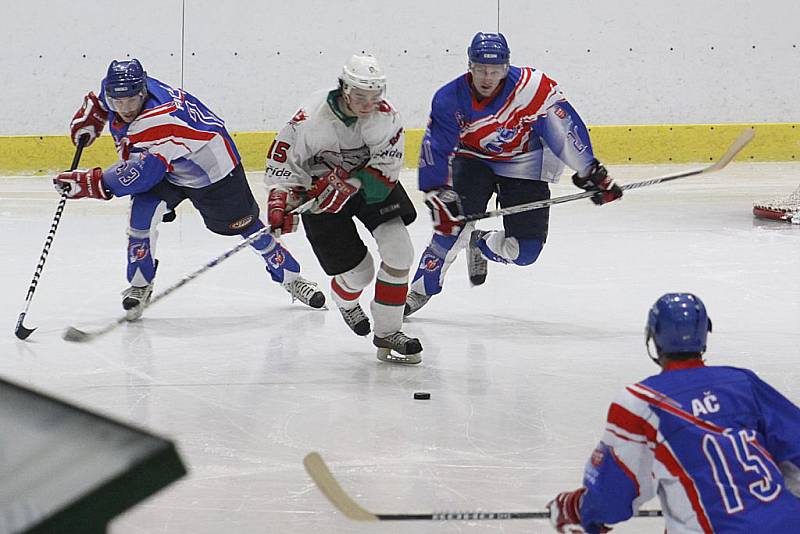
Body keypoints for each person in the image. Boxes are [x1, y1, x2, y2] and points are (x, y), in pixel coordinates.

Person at [55, 58, 324, 320]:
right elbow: (103, 97)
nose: (124, 108)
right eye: (118, 102)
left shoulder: (158, 121)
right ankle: (140, 284)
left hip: (213, 172)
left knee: (247, 227)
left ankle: (291, 277)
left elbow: (139, 176)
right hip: (168, 165)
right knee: (141, 214)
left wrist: (90, 182)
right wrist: (94, 112)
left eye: (131, 101)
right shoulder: (132, 87)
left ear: (143, 92)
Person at [404, 32, 623, 316]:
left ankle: (480, 242)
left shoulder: (533, 88)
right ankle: (419, 290)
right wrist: (437, 192)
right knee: (452, 227)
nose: (487, 77)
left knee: (525, 252)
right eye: (481, 69)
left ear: (506, 67)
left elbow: (564, 130)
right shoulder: (449, 98)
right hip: (473, 158)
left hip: (524, 161)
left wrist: (590, 171)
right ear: (469, 65)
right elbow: (436, 146)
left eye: (494, 70)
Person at [547, 293, 800, 533]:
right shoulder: (741, 383)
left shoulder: (640, 402)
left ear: (653, 338)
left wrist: (577, 508)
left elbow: (611, 497)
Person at [264, 54, 422, 364]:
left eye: (375, 95)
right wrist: (281, 201)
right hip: (318, 191)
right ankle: (345, 300)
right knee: (360, 273)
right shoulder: (310, 118)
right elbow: (283, 160)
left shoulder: (386, 117)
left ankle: (388, 332)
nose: (368, 103)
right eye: (360, 95)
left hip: (367, 184)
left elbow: (386, 168)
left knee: (400, 251)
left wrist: (349, 185)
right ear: (344, 88)